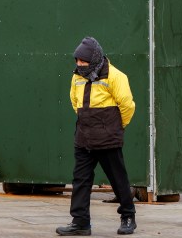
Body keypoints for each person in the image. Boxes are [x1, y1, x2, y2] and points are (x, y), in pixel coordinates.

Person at [57, 37, 137, 236]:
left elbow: (127, 106)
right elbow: (74, 101)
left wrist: (117, 127)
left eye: (83, 61)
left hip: (108, 137)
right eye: (77, 60)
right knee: (80, 180)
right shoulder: (77, 77)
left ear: (94, 59)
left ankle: (128, 217)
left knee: (118, 179)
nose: (79, 64)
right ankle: (80, 222)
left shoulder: (116, 76)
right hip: (84, 137)